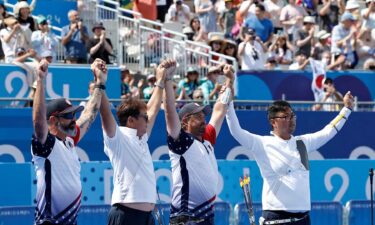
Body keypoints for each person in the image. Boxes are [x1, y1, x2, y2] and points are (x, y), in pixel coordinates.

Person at [225, 91, 354, 225]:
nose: (291, 119)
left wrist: (347, 109)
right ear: (273, 122)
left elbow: (329, 130)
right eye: (286, 116)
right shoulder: (262, 143)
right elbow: (236, 131)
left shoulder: (302, 142)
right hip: (276, 219)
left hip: (303, 219)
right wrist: (229, 103)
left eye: (292, 115)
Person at [31, 58, 107, 225]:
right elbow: (38, 122)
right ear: (52, 121)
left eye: (73, 114)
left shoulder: (69, 141)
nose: (73, 119)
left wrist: (100, 83)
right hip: (49, 221)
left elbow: (88, 115)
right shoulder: (46, 145)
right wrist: (40, 80)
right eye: (67, 116)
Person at [99, 60, 173, 225]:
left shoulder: (142, 137)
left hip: (147, 217)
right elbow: (105, 115)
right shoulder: (118, 138)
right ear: (131, 121)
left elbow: (152, 109)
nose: (148, 120)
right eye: (144, 118)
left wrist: (160, 80)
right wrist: (100, 85)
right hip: (126, 216)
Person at [163, 63, 235, 225]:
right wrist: (167, 80)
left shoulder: (206, 139)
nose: (204, 119)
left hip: (206, 217)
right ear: (185, 122)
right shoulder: (181, 142)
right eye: (198, 116)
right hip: (186, 219)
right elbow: (169, 112)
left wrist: (229, 80)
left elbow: (220, 109)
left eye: (204, 115)